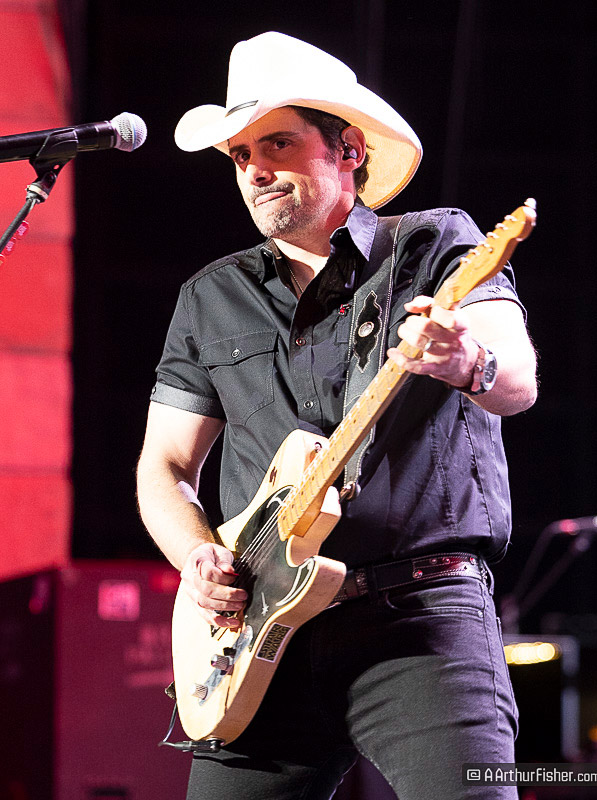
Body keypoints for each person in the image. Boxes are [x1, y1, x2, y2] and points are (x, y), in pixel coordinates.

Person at [136, 31, 537, 800]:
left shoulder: (433, 243)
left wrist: (466, 361)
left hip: (417, 621)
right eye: (240, 155)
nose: (254, 170)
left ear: (348, 150)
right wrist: (195, 555)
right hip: (260, 635)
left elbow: (514, 380)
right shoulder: (210, 297)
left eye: (277, 144)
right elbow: (166, 466)